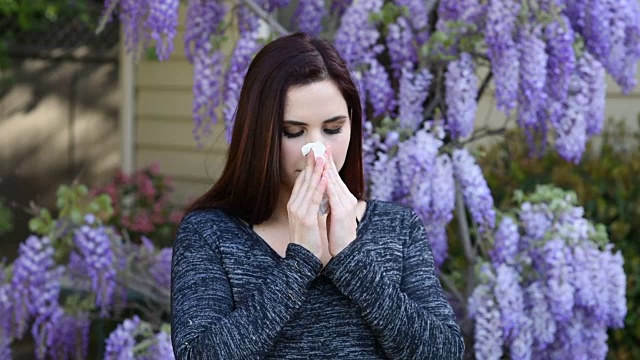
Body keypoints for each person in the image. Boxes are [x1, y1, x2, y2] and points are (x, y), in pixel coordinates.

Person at [171, 32, 464, 359]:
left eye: (333, 129)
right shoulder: (210, 234)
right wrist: (299, 264)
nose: (317, 152)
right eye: (293, 132)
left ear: (352, 124)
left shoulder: (398, 228)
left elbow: (444, 352)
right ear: (259, 134)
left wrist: (351, 259)